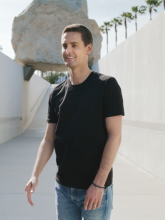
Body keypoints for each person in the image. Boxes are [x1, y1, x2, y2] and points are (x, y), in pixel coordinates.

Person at [25, 23, 125, 220]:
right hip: (63, 189)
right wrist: (35, 174)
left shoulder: (107, 86)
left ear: (88, 49)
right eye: (64, 46)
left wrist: (98, 184)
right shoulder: (56, 93)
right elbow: (49, 140)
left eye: (74, 45)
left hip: (95, 189)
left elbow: (115, 136)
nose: (67, 51)